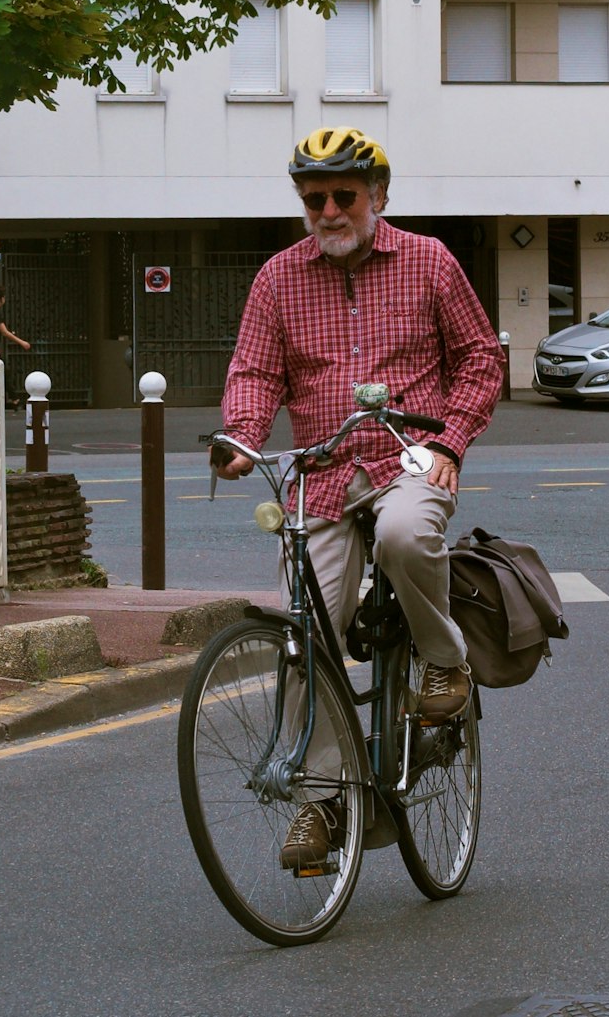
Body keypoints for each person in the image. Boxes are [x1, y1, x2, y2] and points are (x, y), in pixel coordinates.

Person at [217, 126, 504, 870]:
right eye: (315, 198)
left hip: (410, 457)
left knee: (406, 534)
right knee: (299, 624)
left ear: (377, 195)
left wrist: (450, 442)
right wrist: (241, 437)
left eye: (345, 194)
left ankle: (445, 662)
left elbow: (479, 359)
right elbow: (253, 372)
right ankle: (324, 798)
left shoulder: (430, 261)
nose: (330, 209)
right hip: (323, 471)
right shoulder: (278, 278)